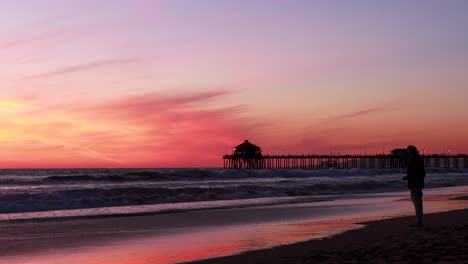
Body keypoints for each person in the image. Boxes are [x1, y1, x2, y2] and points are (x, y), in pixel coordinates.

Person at [402, 145, 426, 227]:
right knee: (416, 200)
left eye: (408, 151)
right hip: (416, 182)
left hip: (415, 183)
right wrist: (407, 177)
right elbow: (419, 172)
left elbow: (416, 171)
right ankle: (419, 220)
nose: (407, 153)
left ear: (410, 151)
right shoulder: (417, 158)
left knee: (417, 201)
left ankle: (419, 221)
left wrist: (414, 178)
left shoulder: (414, 159)